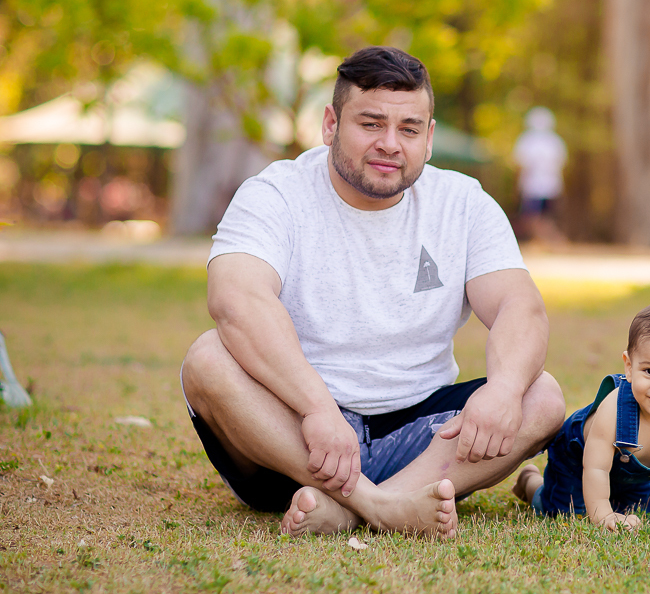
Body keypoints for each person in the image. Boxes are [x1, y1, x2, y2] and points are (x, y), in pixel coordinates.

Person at [180, 46, 565, 540]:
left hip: (422, 439)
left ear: (429, 138)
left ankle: (351, 509)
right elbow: (237, 301)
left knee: (541, 395)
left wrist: (505, 390)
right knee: (207, 358)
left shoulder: (463, 203)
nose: (390, 144)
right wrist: (317, 408)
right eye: (371, 124)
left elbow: (520, 307)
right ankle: (382, 507)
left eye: (409, 129)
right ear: (330, 124)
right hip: (293, 439)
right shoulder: (274, 194)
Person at [513, 301, 650, 531]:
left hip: (633, 474)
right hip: (579, 459)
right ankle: (532, 484)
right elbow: (596, 468)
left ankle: (614, 499)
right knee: (565, 511)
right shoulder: (614, 411)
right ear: (629, 367)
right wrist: (603, 515)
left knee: (647, 512)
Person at [512, 107, 568, 243]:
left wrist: (517, 185)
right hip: (552, 186)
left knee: (531, 216)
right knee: (545, 216)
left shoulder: (526, 141)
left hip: (532, 186)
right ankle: (545, 241)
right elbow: (561, 165)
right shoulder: (556, 142)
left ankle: (553, 240)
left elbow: (521, 166)